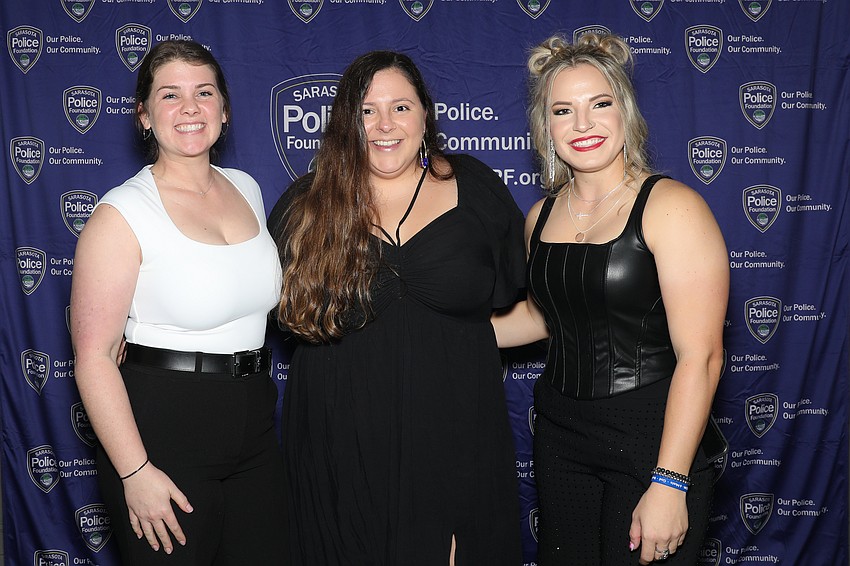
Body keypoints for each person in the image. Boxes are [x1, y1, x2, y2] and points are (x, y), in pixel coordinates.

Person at [269, 50, 525, 565]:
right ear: (345, 122)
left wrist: (451, 338)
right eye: (367, 110)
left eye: (401, 107)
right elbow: (261, 303)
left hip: (452, 429)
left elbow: (533, 305)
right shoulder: (307, 204)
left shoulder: (475, 190)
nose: (384, 124)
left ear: (426, 116)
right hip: (337, 437)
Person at [492, 33, 729, 565]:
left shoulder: (673, 207)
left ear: (625, 112)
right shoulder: (540, 217)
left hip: (652, 436)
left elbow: (702, 355)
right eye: (563, 110)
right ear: (544, 128)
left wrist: (670, 481)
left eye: (599, 104)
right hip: (561, 436)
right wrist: (435, 326)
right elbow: (545, 315)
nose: (582, 125)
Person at [70, 40, 286, 564]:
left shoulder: (247, 188)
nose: (189, 108)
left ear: (225, 110)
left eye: (203, 93)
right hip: (164, 431)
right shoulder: (120, 214)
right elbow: (95, 358)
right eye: (170, 95)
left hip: (255, 421)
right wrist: (135, 471)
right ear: (144, 115)